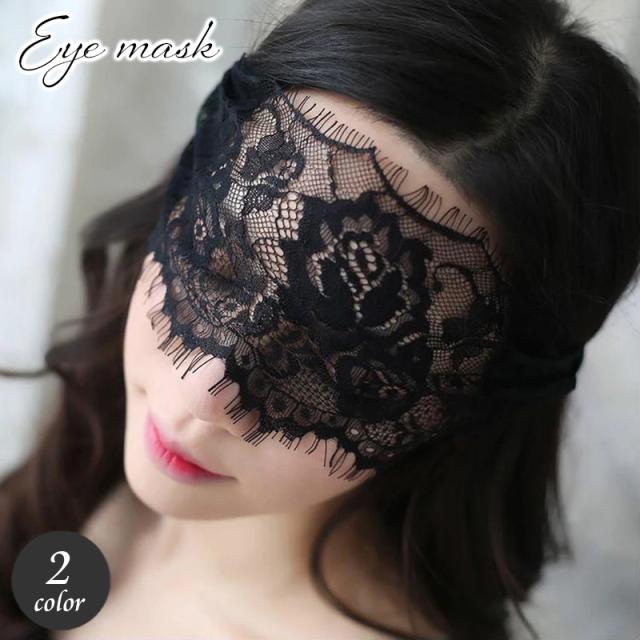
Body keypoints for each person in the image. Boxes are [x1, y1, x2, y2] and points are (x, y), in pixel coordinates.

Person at [2, 1, 639, 639]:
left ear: (472, 403)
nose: (201, 392)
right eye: (217, 266)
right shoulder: (101, 450)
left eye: (325, 364)